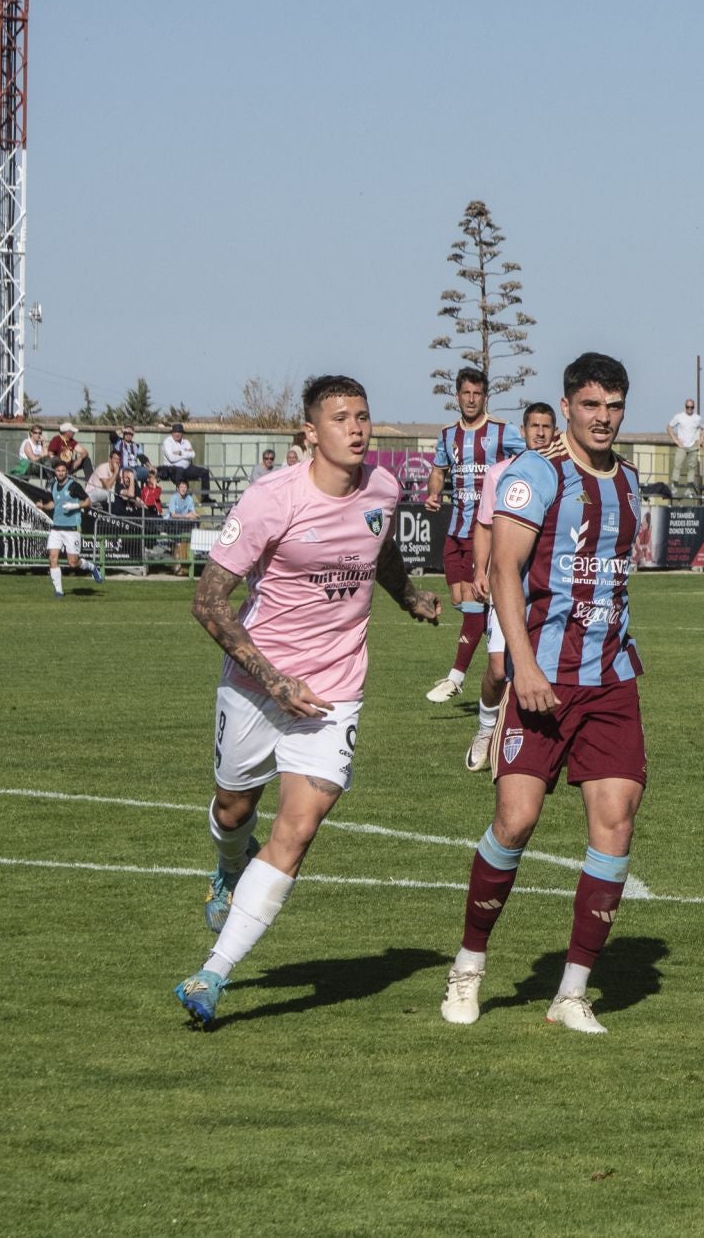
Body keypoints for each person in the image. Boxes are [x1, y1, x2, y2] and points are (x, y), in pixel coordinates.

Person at [170, 374, 440, 1027]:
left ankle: (212, 975)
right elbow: (208, 601)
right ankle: (227, 865)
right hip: (257, 686)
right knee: (234, 807)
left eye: (363, 416)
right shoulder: (272, 499)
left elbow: (381, 550)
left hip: (336, 690)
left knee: (299, 828)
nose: (357, 427)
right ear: (309, 433)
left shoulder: (382, 487)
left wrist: (409, 598)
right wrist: (274, 679)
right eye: (341, 417)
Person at [437, 353, 647, 1035]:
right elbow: (502, 570)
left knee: (616, 820)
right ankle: (468, 968)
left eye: (613, 404)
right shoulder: (536, 474)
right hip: (543, 679)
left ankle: (572, 994)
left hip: (611, 681)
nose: (604, 417)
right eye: (591, 405)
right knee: (516, 822)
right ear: (567, 408)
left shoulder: (632, 485)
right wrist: (521, 667)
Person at [462, 401, 558, 772]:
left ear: (555, 430)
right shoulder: (501, 473)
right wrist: (480, 570)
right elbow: (485, 525)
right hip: (507, 588)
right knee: (499, 670)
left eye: (546, 426)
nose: (539, 432)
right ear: (523, 429)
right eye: (533, 425)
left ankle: (539, 742)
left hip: (546, 593)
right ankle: (486, 729)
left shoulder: (562, 473)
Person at [424, 367, 525, 705]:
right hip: (455, 531)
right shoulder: (447, 435)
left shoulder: (501, 432)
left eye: (476, 394)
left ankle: (457, 676)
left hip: (486, 533)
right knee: (462, 602)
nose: (470, 399)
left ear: (485, 397)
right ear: (457, 396)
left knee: (474, 606)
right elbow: (438, 470)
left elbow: (528, 459)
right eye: (465, 393)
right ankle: (506, 660)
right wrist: (434, 492)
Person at [41, 464, 99, 595]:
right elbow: (53, 503)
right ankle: (59, 591)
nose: (60, 473)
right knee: (52, 557)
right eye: (58, 470)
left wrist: (74, 505)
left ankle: (92, 567)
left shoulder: (74, 486)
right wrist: (43, 506)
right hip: (56, 528)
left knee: (72, 562)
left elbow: (88, 502)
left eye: (63, 471)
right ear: (55, 472)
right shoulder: (53, 485)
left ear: (67, 472)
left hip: (71, 529)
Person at [158, 422, 214, 498]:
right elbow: (171, 459)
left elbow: (193, 454)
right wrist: (186, 453)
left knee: (205, 472)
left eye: (179, 432)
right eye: (175, 432)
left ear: (182, 433)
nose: (177, 434)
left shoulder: (186, 442)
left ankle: (205, 498)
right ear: (172, 433)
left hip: (187, 467)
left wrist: (180, 452)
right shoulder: (167, 442)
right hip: (173, 468)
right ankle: (182, 498)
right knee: (180, 473)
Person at [667, 398, 704, 500]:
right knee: (677, 465)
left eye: (692, 407)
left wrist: (700, 441)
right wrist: (675, 440)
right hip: (682, 446)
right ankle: (674, 487)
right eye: (688, 407)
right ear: (685, 407)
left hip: (693, 446)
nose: (690, 409)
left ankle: (689, 489)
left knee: (691, 467)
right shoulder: (679, 417)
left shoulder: (698, 418)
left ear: (694, 407)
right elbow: (669, 427)